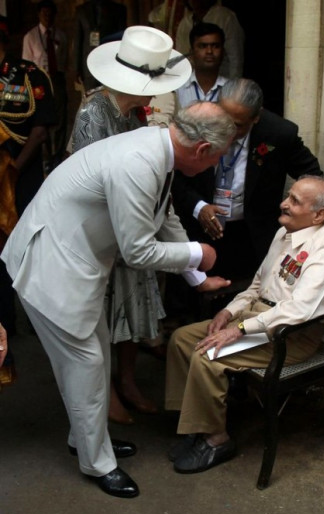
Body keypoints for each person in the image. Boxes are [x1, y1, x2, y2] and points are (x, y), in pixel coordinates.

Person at [0, 100, 236, 498]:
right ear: (201, 150)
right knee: (86, 365)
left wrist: (196, 278)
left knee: (95, 360)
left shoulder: (158, 148)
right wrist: (199, 253)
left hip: (75, 264)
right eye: (217, 157)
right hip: (49, 267)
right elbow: (138, 251)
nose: (215, 166)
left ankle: (87, 440)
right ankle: (97, 462)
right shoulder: (139, 162)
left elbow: (166, 215)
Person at [71, 26, 229, 424]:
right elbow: (94, 183)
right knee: (101, 319)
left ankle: (127, 382)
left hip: (134, 232)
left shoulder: (136, 115)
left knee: (132, 313)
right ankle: (103, 394)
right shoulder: (94, 111)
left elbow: (161, 196)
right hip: (103, 235)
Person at [164, 176, 324, 473]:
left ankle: (217, 438)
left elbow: (300, 310)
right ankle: (193, 424)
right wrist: (229, 313)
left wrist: (240, 329)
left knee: (208, 357)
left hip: (291, 334)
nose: (284, 203)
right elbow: (258, 285)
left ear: (319, 214)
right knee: (182, 338)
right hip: (257, 319)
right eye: (288, 196)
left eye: (295, 201)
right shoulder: (284, 233)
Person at [172, 77, 323, 279]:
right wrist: (199, 207)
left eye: (236, 125)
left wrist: (293, 205)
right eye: (223, 119)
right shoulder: (199, 121)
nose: (226, 129)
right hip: (198, 230)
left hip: (251, 236)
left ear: (256, 117)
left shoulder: (279, 133)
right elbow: (175, 174)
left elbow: (313, 175)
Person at [0, 15, 56, 340]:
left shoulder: (30, 75)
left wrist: (15, 168)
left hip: (22, 172)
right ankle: (5, 320)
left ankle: (40, 320)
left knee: (30, 247)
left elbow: (40, 131)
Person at [22, 0, 67, 169]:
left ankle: (58, 156)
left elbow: (64, 60)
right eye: (44, 13)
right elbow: (26, 64)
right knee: (44, 119)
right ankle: (46, 157)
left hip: (57, 79)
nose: (47, 17)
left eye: (50, 13)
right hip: (40, 82)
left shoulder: (61, 35)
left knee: (60, 118)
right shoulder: (30, 37)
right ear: (39, 15)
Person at [175, 0, 244, 79]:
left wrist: (234, 88)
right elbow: (181, 59)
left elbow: (236, 60)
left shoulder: (225, 17)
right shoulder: (184, 23)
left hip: (223, 82)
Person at [73, 0, 127, 91]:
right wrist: (76, 68)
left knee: (110, 97)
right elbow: (78, 40)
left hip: (110, 63)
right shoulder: (81, 10)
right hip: (88, 65)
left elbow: (121, 39)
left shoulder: (119, 9)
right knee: (92, 98)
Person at [175, 23, 228, 109]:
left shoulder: (232, 90)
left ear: (223, 52)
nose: (209, 51)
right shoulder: (177, 87)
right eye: (203, 46)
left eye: (215, 46)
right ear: (191, 52)